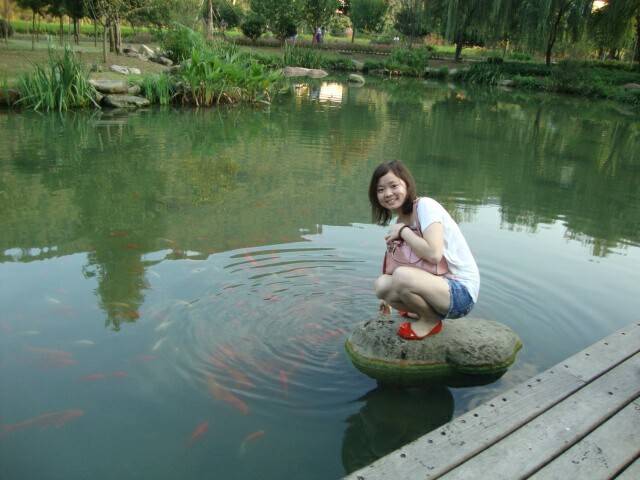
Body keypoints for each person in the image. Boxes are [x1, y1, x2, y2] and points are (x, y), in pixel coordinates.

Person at [369, 160, 479, 340]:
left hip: (460, 293)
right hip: (436, 287)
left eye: (393, 186)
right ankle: (422, 311)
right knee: (381, 286)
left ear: (407, 184)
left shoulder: (426, 206)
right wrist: (386, 300)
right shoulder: (399, 222)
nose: (388, 193)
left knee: (402, 276)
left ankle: (430, 320)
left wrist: (404, 232)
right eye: (380, 189)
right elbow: (394, 266)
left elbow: (434, 255)